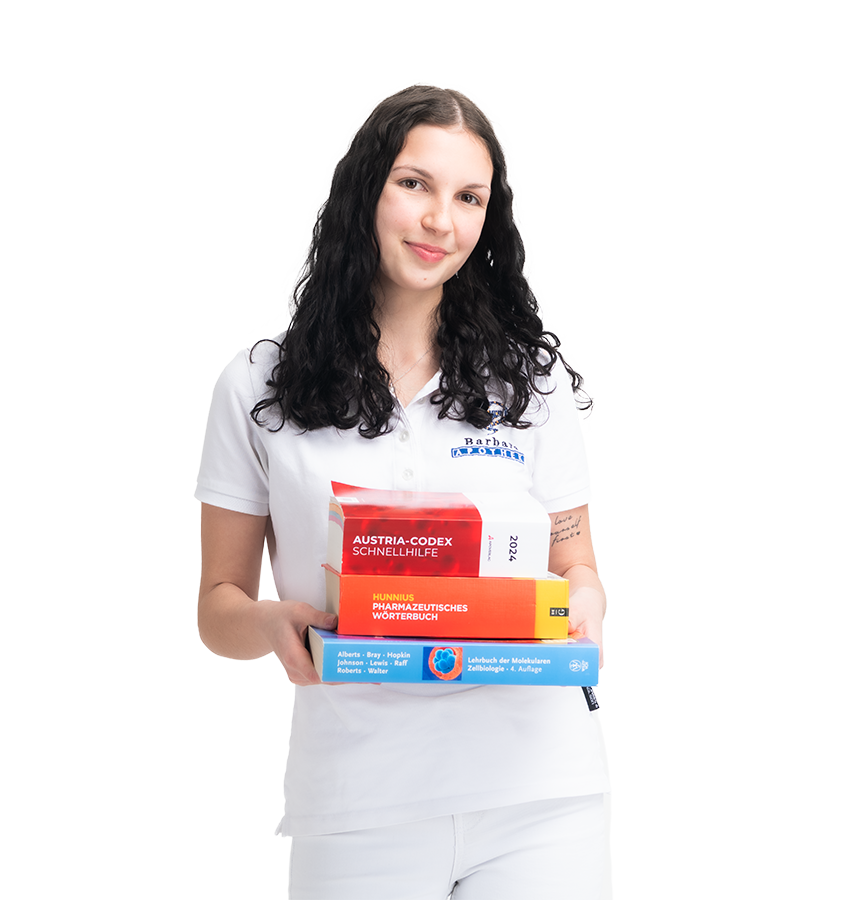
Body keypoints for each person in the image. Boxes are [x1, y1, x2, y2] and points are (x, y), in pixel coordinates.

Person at [196, 83, 610, 900]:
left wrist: (582, 608)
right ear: (364, 188)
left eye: (468, 198)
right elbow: (217, 606)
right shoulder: (258, 384)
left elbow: (577, 566)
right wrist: (274, 624)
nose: (439, 221)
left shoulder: (530, 383)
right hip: (356, 804)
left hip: (537, 797)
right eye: (414, 184)